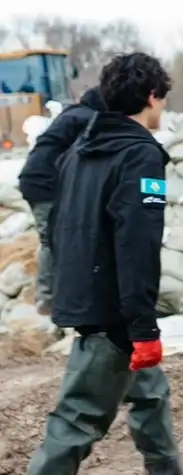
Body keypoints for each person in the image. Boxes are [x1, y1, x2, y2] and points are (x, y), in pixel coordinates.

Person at [0, 52, 183, 475]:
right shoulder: (139, 155)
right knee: (76, 419)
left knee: (149, 396)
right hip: (114, 311)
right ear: (151, 98)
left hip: (90, 299)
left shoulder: (83, 148)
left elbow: (66, 231)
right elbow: (136, 246)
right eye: (162, 97)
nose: (163, 106)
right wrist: (141, 326)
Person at [18, 86, 106, 314]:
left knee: (58, 238)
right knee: (52, 240)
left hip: (39, 181)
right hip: (43, 184)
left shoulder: (74, 115)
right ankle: (47, 300)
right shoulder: (86, 119)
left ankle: (56, 295)